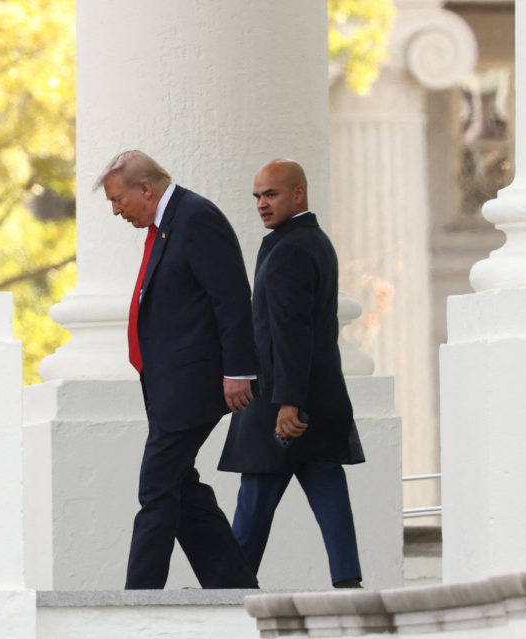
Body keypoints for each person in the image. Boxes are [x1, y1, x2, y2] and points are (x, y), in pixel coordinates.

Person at [95, 150, 259, 590]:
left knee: (156, 489)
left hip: (192, 387)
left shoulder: (197, 217)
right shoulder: (169, 223)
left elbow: (231, 297)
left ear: (145, 189)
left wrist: (239, 370)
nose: (115, 210)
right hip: (170, 386)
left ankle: (138, 601)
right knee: (182, 489)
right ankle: (234, 587)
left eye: (117, 199)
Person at [218, 158, 365, 588]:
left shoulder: (291, 249)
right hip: (314, 398)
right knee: (324, 486)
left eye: (271, 194)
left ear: (298, 193)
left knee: (256, 496)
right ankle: (348, 583)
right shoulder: (310, 241)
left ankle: (230, 588)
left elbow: (291, 334)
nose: (261, 204)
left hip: (285, 405)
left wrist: (288, 403)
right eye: (257, 197)